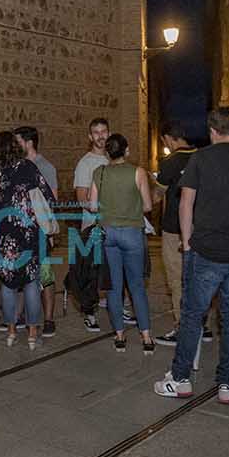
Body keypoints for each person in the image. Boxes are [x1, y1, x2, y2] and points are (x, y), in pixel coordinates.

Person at [152, 107, 229, 404]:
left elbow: (185, 204)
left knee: (193, 315)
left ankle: (180, 379)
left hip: (205, 249)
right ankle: (227, 385)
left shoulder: (201, 158)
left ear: (212, 131)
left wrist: (188, 242)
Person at [0, 130, 56, 349]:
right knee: (32, 283)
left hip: (3, 236)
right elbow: (48, 197)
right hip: (29, 234)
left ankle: (12, 331)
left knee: (7, 284)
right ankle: (32, 333)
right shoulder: (28, 167)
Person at [90, 133, 155, 352]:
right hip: (132, 234)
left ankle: (119, 335)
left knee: (113, 287)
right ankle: (146, 337)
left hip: (108, 233)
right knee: (136, 286)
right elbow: (147, 206)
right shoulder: (138, 172)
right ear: (126, 151)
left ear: (108, 153)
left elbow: (92, 206)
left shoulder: (99, 172)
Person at [152, 123, 209, 347]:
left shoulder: (171, 162)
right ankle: (201, 325)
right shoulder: (204, 157)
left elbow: (157, 195)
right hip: (202, 227)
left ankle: (182, 328)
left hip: (175, 228)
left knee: (177, 279)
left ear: (169, 138)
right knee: (200, 278)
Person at [14, 125, 60, 334]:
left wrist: (49, 233)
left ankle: (49, 318)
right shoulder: (17, 166)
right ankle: (23, 314)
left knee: (45, 274)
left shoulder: (45, 167)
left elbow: (53, 200)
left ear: (29, 142)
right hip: (21, 231)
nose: (16, 146)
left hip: (39, 231)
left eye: (18, 141)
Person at [68, 118, 111, 328]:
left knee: (113, 269)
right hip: (93, 226)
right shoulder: (85, 163)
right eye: (96, 132)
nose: (100, 136)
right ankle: (89, 312)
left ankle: (116, 306)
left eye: (103, 131)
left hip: (115, 226)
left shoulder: (115, 159)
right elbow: (82, 198)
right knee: (92, 273)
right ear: (90, 137)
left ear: (109, 134)